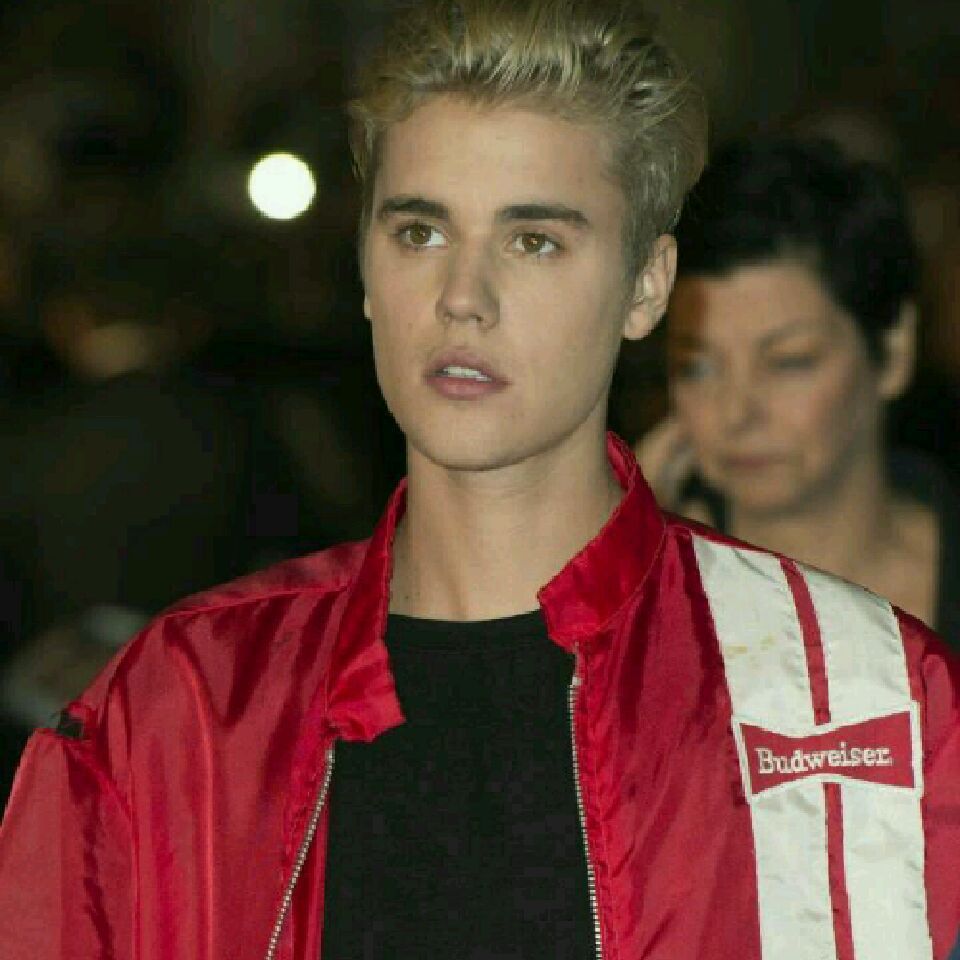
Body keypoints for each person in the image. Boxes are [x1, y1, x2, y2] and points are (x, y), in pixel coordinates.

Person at [2, 3, 960, 958]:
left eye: (532, 240)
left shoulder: (871, 700)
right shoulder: (176, 708)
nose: (462, 297)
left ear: (648, 285)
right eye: (421, 232)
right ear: (366, 268)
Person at [637, 138, 960, 646]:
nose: (737, 412)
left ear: (893, 350)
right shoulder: (648, 588)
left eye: (788, 361)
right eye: (697, 367)